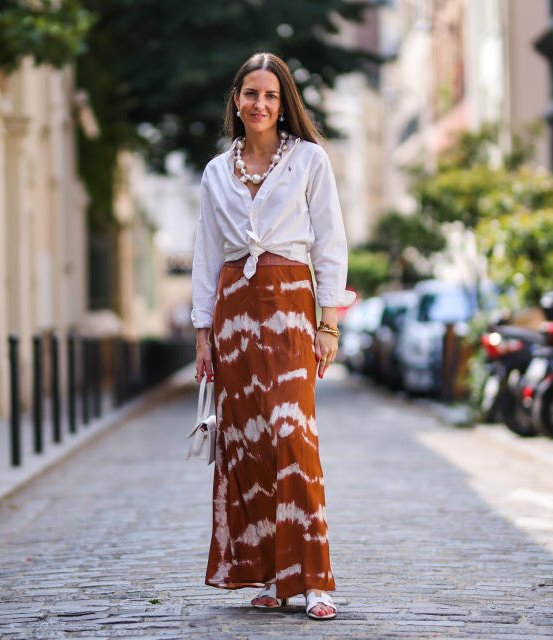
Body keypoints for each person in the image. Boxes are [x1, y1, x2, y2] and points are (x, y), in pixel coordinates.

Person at [191, 52, 355, 621]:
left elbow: (331, 244)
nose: (259, 104)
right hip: (234, 307)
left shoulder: (309, 160)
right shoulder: (217, 171)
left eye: (271, 95)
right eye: (250, 93)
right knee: (251, 441)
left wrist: (328, 323)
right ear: (235, 99)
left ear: (283, 105)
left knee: (292, 436)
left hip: (289, 303)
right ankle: (269, 576)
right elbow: (207, 255)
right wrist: (203, 333)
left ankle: (313, 579)